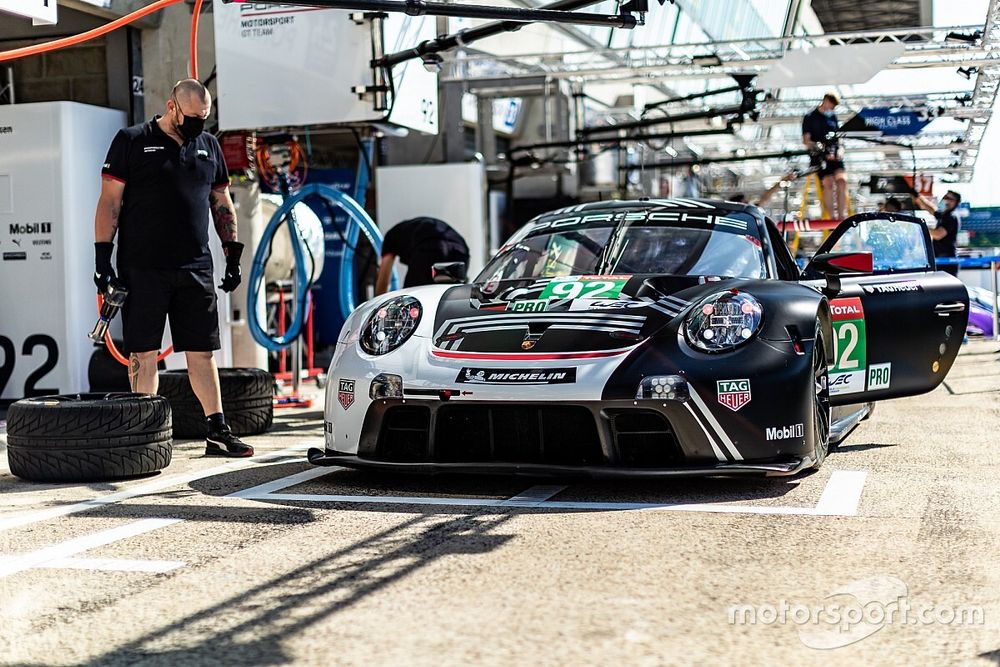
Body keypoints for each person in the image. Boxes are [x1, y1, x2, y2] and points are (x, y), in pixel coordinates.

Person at [93, 78, 253, 457]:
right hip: (142, 267)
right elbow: (109, 203)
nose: (199, 124)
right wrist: (102, 259)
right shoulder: (132, 140)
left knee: (201, 352)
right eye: (193, 117)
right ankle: (144, 434)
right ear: (171, 106)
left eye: (205, 117)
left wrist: (232, 252)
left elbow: (221, 200)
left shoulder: (208, 145)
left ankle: (217, 431)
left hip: (195, 267)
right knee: (144, 352)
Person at [375, 217, 470, 295]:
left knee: (412, 298)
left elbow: (383, 281)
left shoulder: (390, 237)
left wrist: (375, 307)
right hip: (460, 248)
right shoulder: (410, 228)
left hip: (430, 246)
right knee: (453, 295)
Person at [802, 93, 848, 220]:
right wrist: (819, 147)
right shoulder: (810, 117)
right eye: (831, 106)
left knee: (842, 181)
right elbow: (806, 141)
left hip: (835, 156)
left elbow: (839, 138)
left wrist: (840, 151)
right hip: (820, 158)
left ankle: (841, 217)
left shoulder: (832, 117)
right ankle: (832, 218)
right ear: (825, 101)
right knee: (828, 183)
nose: (831, 109)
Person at [912, 189, 962, 277]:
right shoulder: (944, 215)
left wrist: (921, 227)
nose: (944, 199)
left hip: (947, 262)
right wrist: (918, 196)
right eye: (944, 197)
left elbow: (938, 235)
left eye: (948, 198)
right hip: (940, 259)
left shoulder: (951, 217)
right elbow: (931, 209)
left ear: (954, 202)